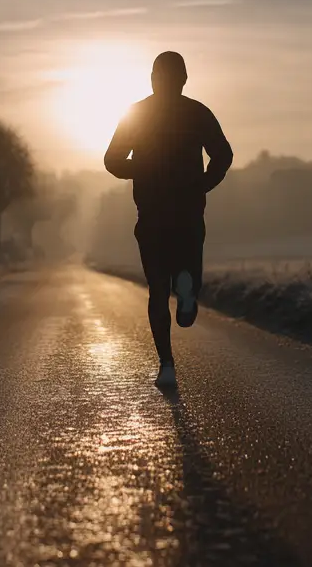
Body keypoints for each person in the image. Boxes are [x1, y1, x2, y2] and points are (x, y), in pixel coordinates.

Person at [104, 51, 234, 388]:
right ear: (184, 79)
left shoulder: (136, 114)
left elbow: (112, 160)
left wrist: (141, 169)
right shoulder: (197, 112)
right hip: (189, 212)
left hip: (151, 215)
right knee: (186, 273)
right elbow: (224, 154)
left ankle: (166, 364)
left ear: (153, 78)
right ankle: (188, 292)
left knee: (158, 290)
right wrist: (203, 183)